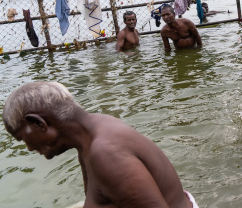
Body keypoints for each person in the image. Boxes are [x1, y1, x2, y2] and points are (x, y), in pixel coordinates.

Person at [2, 81, 199, 208]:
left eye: (22, 137)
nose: (27, 147)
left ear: (38, 123)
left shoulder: (106, 153)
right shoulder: (90, 131)